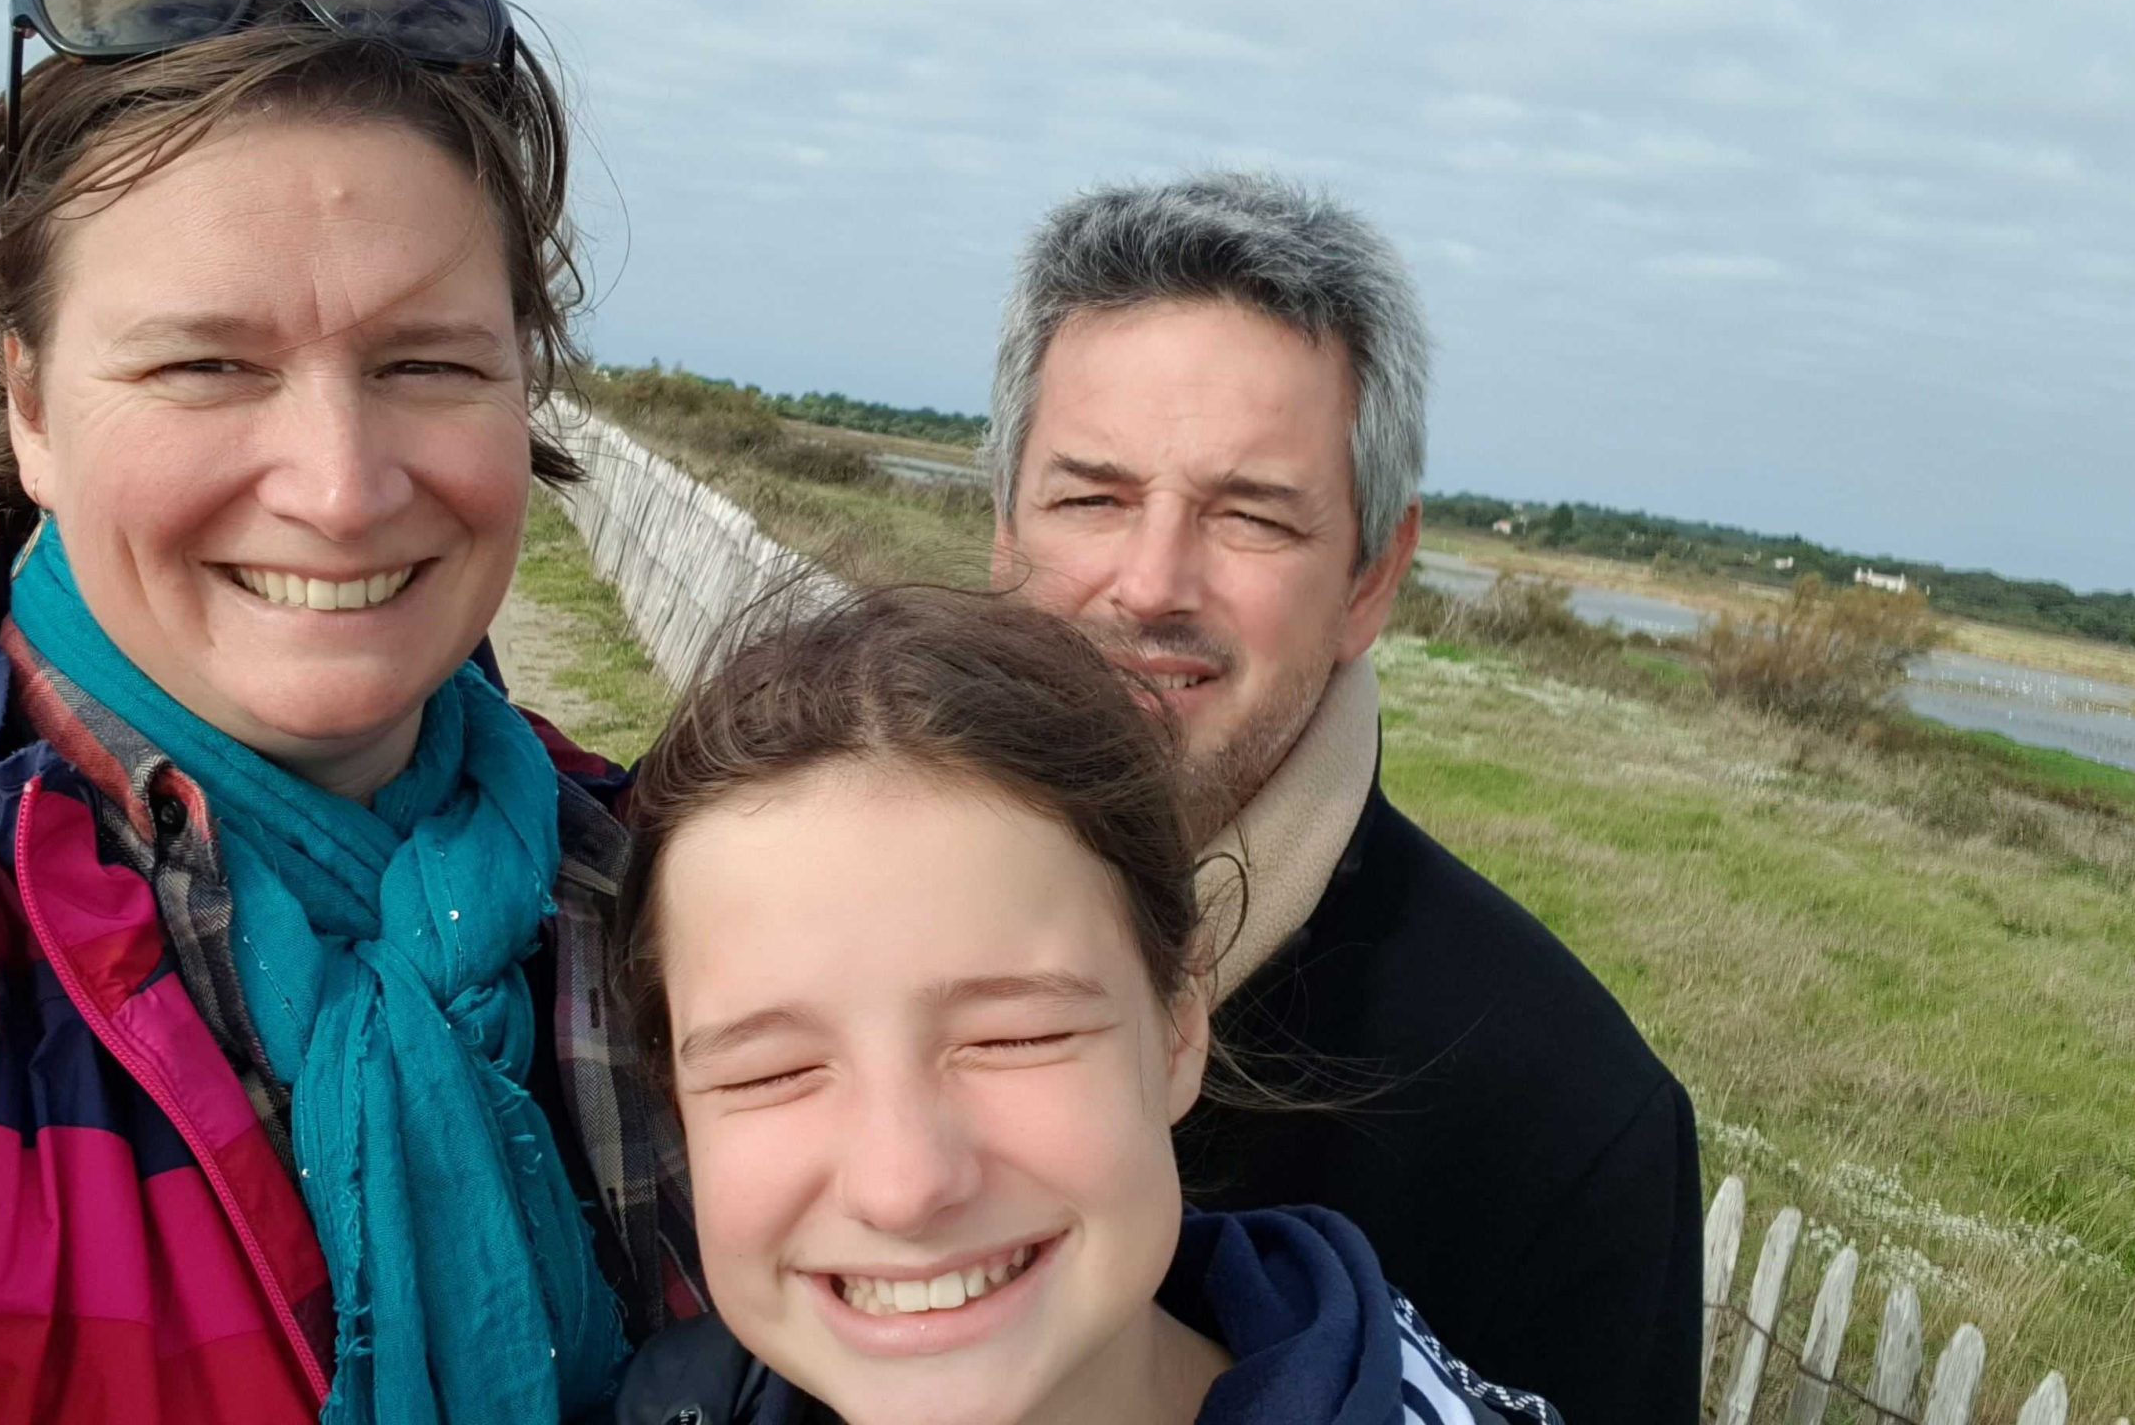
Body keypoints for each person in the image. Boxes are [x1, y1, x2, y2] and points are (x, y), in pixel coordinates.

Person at [0, 0, 698, 1420]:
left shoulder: (670, 887)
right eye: (205, 366)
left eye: (427, 364)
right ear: (31, 410)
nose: (341, 488)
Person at [984, 171, 1704, 1421]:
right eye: (1092, 497)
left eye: (1250, 517)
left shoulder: (1563, 1125)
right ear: (1003, 530)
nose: (1150, 582)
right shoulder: (805, 925)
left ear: (1371, 579)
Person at [599, 586, 1560, 1425]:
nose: (903, 1186)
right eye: (771, 1073)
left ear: (1179, 1025)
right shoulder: (671, 1400)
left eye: (1015, 1038)